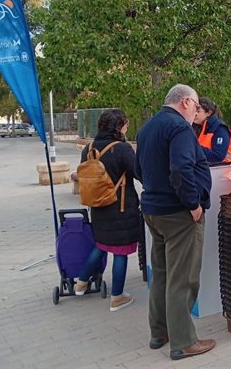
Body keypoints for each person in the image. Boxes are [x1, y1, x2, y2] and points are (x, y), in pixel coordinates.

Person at [135, 84, 215, 361]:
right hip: (179, 214)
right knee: (183, 278)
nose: (196, 111)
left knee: (162, 274)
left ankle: (159, 332)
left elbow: (139, 168)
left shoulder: (147, 128)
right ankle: (183, 342)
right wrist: (192, 204)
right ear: (184, 102)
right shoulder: (180, 128)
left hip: (153, 210)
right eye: (195, 105)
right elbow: (181, 169)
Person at [74, 109, 140, 312]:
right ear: (118, 127)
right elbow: (138, 172)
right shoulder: (121, 149)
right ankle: (117, 297)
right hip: (120, 207)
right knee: (120, 251)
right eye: (126, 124)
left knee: (101, 244)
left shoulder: (89, 148)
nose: (127, 128)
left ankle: (81, 283)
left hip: (98, 206)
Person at [192, 96, 231, 165]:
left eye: (198, 111)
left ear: (208, 113)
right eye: (194, 111)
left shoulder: (220, 129)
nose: (195, 114)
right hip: (209, 167)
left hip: (224, 168)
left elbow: (218, 156)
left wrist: (192, 146)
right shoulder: (198, 127)